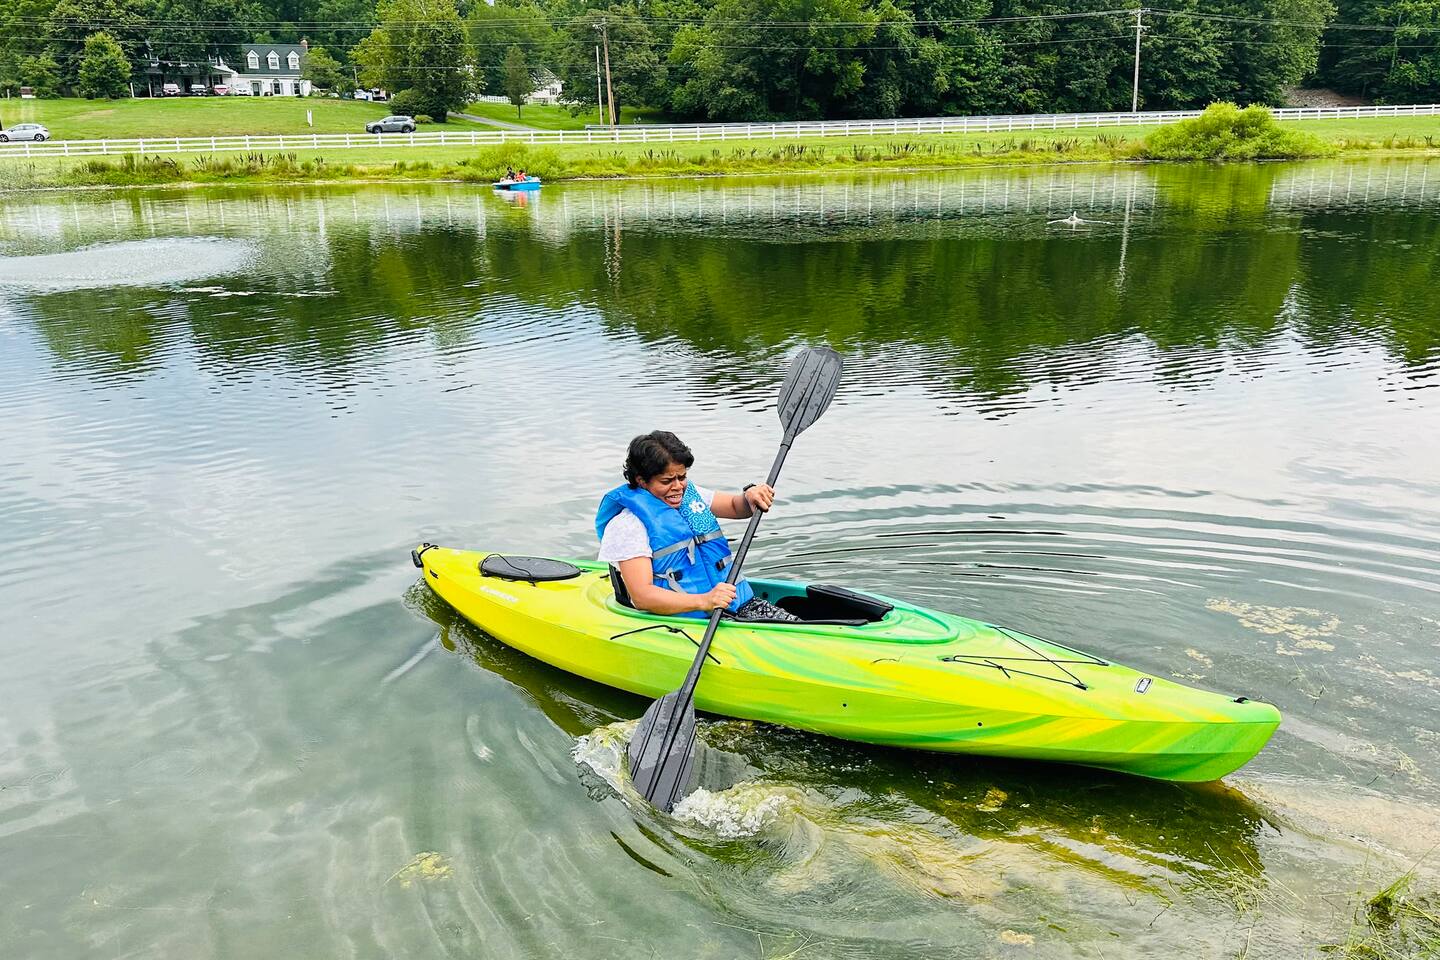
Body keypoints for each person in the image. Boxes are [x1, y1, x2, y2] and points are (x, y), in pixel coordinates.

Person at [596, 431, 800, 622]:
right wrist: (705, 601)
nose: (677, 487)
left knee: (800, 626)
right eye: (667, 481)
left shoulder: (690, 497)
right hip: (689, 621)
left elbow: (735, 507)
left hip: (740, 605)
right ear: (641, 481)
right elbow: (643, 596)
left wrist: (750, 496)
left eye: (682, 477)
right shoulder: (628, 525)